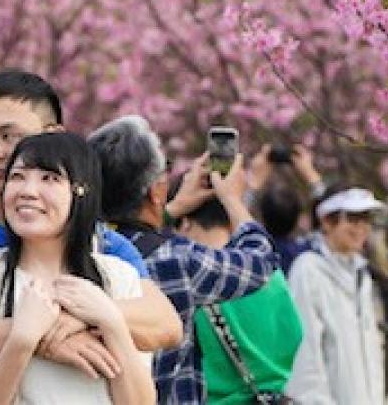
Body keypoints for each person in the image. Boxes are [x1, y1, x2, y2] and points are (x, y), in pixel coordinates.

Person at [0, 71, 182, 401]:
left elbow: (164, 324)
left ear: (54, 136)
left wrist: (82, 317)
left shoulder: (105, 248)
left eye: (9, 136)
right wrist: (35, 335)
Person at [0, 132, 156, 404]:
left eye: (50, 179)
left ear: (81, 192)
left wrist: (110, 320)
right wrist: (22, 341)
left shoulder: (117, 276)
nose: (28, 192)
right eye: (18, 177)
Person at [88, 115, 280, 404]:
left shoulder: (80, 250)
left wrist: (170, 208)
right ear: (156, 191)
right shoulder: (177, 260)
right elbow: (261, 261)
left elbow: (131, 236)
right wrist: (235, 199)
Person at [168, 176, 303, 404]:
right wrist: (233, 199)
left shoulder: (188, 281)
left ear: (185, 222)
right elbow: (295, 335)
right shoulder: (270, 275)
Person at [285, 184, 386, 404]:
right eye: (352, 219)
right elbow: (306, 355)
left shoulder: (361, 274)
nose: (361, 228)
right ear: (327, 221)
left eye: (365, 219)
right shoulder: (307, 271)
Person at [247, 144, 325, 273]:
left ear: (261, 214)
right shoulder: (307, 253)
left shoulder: (251, 253)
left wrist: (254, 182)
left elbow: (231, 223)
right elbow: (327, 219)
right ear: (298, 216)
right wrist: (312, 175)